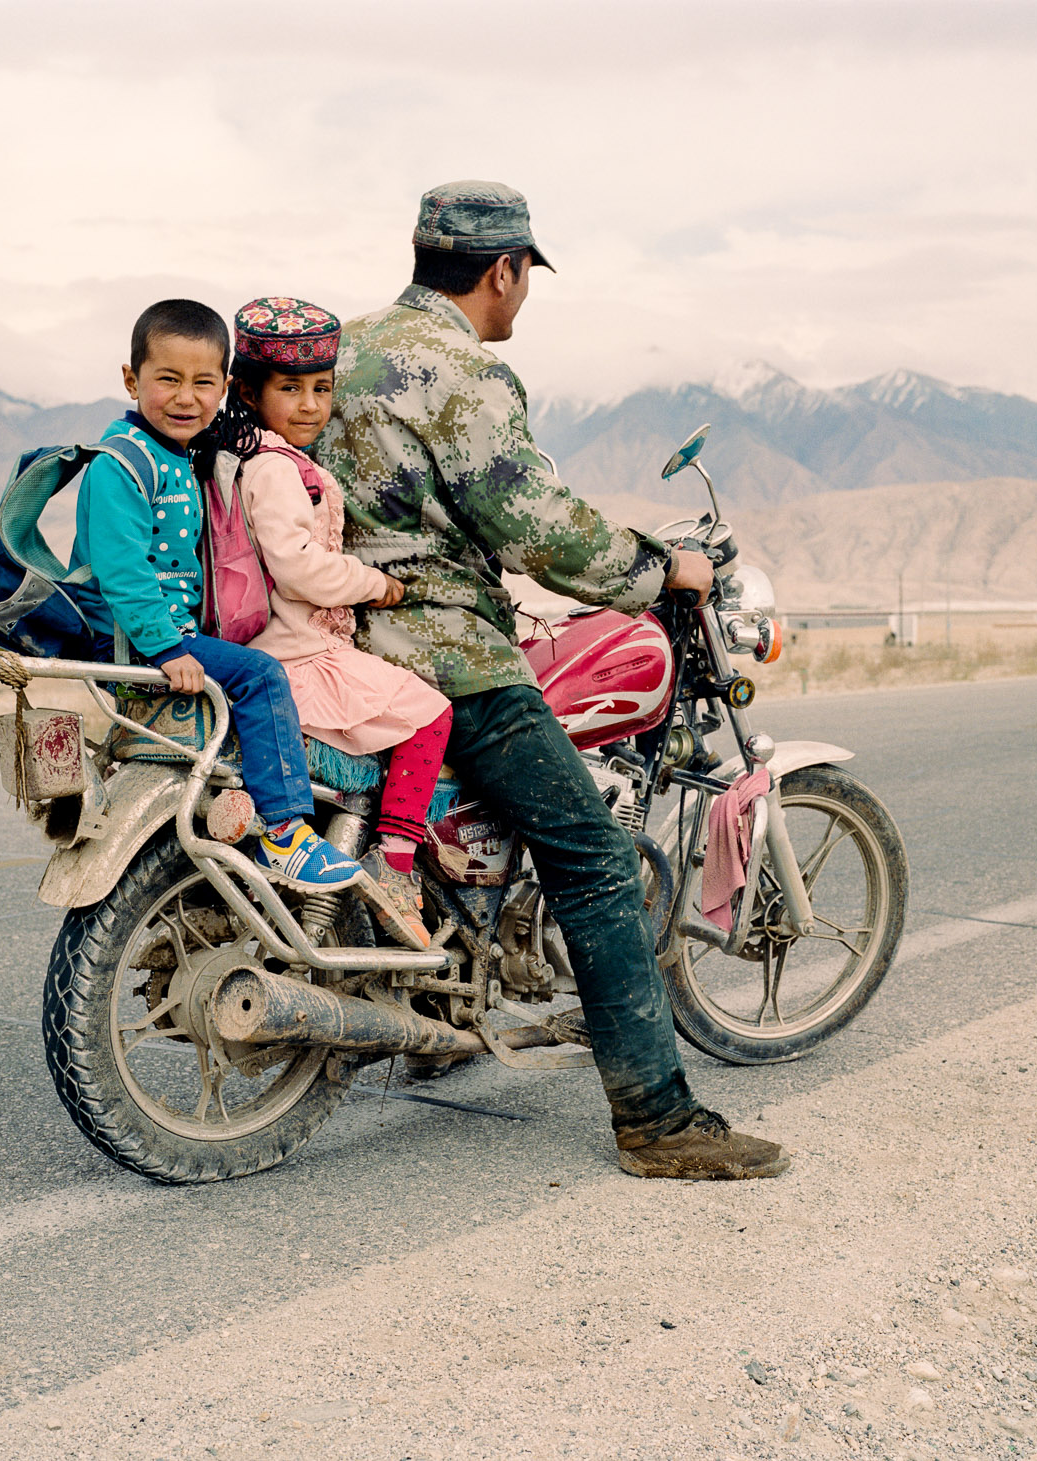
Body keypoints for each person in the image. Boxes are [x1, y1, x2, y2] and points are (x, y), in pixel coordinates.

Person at [318, 182, 790, 1181]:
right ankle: (658, 1121)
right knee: (594, 857)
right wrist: (660, 569)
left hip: (320, 641)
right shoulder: (462, 373)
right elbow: (534, 526)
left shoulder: (341, 351)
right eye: (525, 279)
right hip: (437, 651)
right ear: (505, 271)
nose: (522, 297)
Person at [70, 298, 364, 894]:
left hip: (166, 633)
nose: (187, 398)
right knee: (260, 675)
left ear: (226, 386)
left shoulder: (177, 455)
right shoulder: (120, 466)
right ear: (132, 380)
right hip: (137, 639)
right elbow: (122, 572)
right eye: (168, 380)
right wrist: (166, 647)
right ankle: (286, 831)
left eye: (204, 383)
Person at [202, 297, 452, 951]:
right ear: (250, 391)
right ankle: (396, 862)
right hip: (303, 655)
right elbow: (300, 568)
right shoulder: (277, 468)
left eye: (321, 388)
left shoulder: (242, 456)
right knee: (430, 712)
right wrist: (377, 586)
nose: (311, 404)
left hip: (281, 649)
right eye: (292, 389)